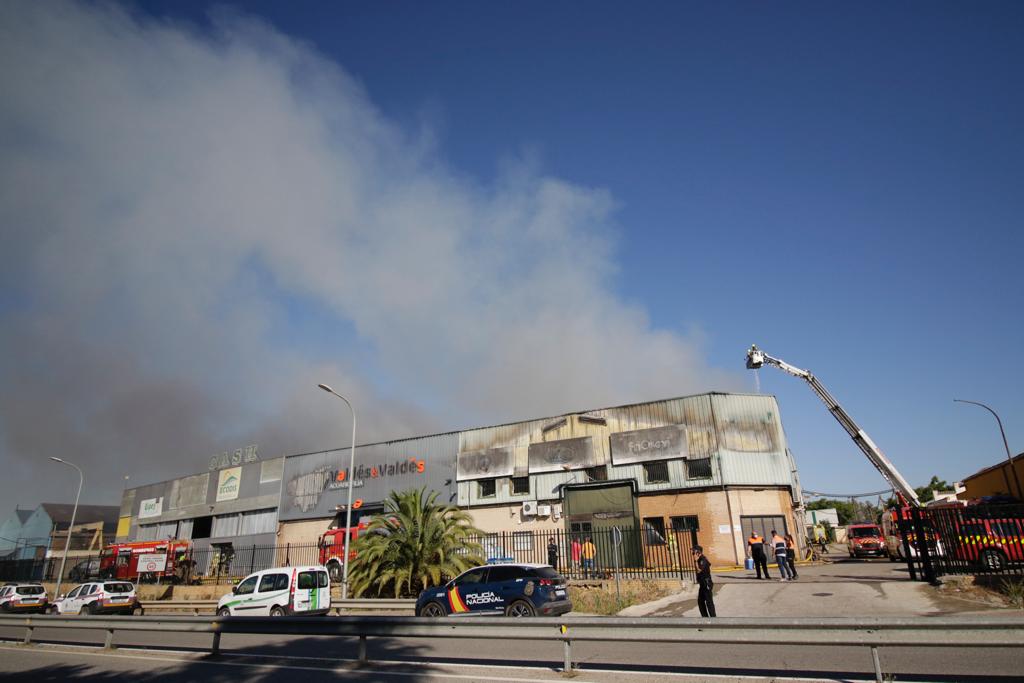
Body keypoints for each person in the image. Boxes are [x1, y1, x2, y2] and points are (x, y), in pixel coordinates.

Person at [693, 545, 716, 617]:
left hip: (706, 583)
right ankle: (705, 617)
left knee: (709, 602)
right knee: (700, 601)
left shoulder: (703, 560)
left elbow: (699, 570)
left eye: (694, 553)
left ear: (698, 553)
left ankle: (714, 619)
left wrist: (696, 561)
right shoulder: (700, 559)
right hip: (702, 584)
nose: (693, 554)